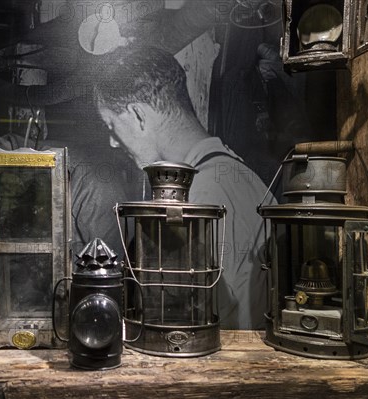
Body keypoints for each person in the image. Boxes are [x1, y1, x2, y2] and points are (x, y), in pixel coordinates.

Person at [94, 46, 270, 329]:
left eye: (112, 125)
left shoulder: (197, 198)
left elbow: (199, 330)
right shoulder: (239, 175)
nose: (113, 141)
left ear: (138, 115)